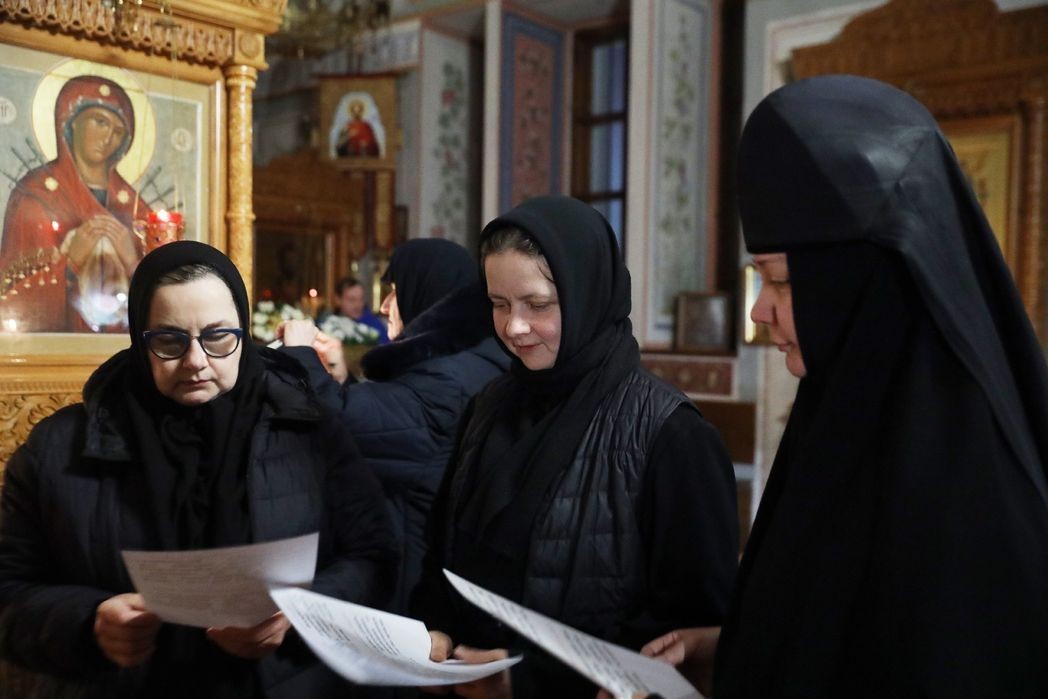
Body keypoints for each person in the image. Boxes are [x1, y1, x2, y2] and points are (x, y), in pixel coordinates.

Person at [637, 74, 1048, 698]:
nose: (759, 311)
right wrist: (728, 652)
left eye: (780, 281)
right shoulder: (836, 419)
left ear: (862, 284)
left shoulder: (975, 493)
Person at [0, 240, 397, 697]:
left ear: (243, 331)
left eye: (218, 337)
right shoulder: (58, 448)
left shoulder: (309, 429)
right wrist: (87, 623)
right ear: (140, 340)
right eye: (169, 341)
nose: (195, 361)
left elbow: (375, 557)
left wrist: (301, 615)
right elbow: (10, 593)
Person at [409, 195, 738, 698]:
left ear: (587, 294)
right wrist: (436, 635)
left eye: (538, 305)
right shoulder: (488, 407)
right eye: (499, 304)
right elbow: (444, 558)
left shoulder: (672, 434)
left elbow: (689, 635)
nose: (514, 327)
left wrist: (525, 680)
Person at [278, 238, 509, 620]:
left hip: (416, 590)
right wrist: (342, 377)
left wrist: (299, 355)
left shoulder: (446, 383)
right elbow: (392, 430)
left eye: (394, 292)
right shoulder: (465, 363)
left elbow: (340, 428)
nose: (384, 305)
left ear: (429, 297)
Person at [1, 74, 151, 332]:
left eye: (118, 131)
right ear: (70, 122)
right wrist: (70, 265)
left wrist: (132, 261)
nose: (108, 137)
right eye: (100, 122)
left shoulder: (136, 209)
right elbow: (11, 298)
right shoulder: (35, 195)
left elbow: (165, 303)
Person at [326, 276, 389, 345]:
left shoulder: (375, 326)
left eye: (361, 299)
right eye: (352, 299)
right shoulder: (327, 323)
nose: (357, 305)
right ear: (338, 300)